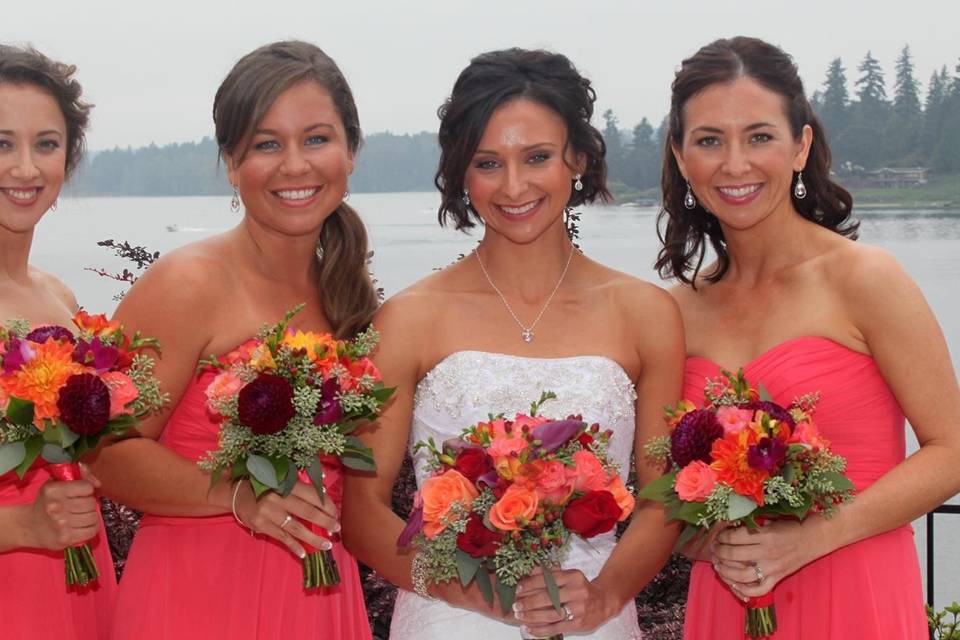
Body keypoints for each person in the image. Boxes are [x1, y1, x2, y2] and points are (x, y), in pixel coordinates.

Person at [342, 47, 683, 639]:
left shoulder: (647, 314)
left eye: (538, 157)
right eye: (488, 162)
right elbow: (362, 512)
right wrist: (477, 594)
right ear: (461, 172)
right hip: (450, 619)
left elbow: (660, 501)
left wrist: (603, 597)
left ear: (576, 157)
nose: (515, 185)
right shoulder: (408, 319)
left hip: (592, 618)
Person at [658, 36, 960, 639]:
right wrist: (706, 539)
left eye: (760, 136)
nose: (735, 163)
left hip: (857, 595)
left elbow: (951, 450)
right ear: (681, 156)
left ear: (801, 146)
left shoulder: (864, 278)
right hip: (726, 603)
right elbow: (664, 496)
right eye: (710, 140)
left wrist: (810, 538)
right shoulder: (675, 311)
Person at [91, 41, 377, 639]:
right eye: (266, 145)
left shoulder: (348, 296)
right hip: (199, 596)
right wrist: (239, 495)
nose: (295, 165)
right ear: (230, 161)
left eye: (317, 139)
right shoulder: (187, 283)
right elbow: (106, 452)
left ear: (352, 151)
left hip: (319, 597)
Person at [0, 45, 116, 639]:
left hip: (78, 576)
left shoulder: (60, 302)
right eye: (2, 143)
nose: (25, 168)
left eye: (45, 144)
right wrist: (21, 528)